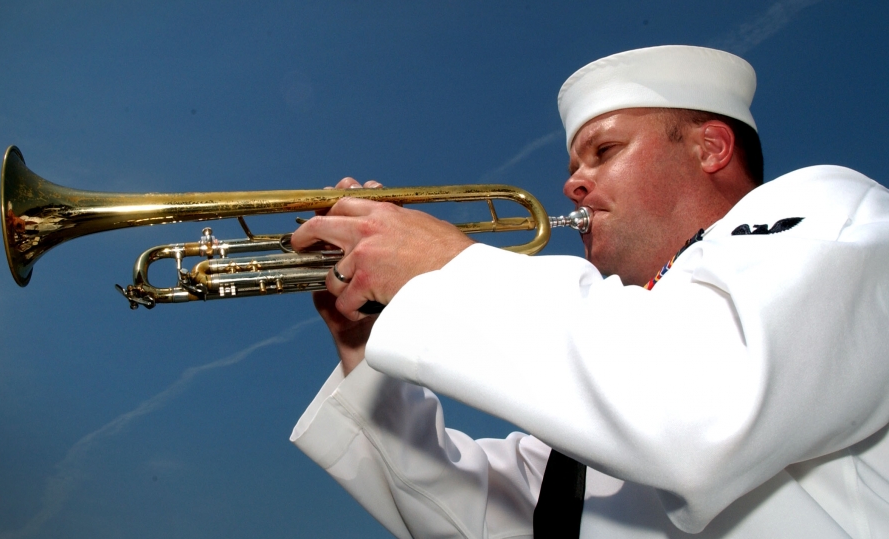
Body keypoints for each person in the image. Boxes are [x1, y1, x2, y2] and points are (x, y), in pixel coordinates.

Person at [288, 45, 889, 538]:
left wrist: (446, 266)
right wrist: (367, 344)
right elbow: (465, 517)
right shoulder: (594, 400)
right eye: (578, 163)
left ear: (711, 148)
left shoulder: (828, 206)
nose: (574, 183)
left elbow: (702, 405)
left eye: (605, 151)